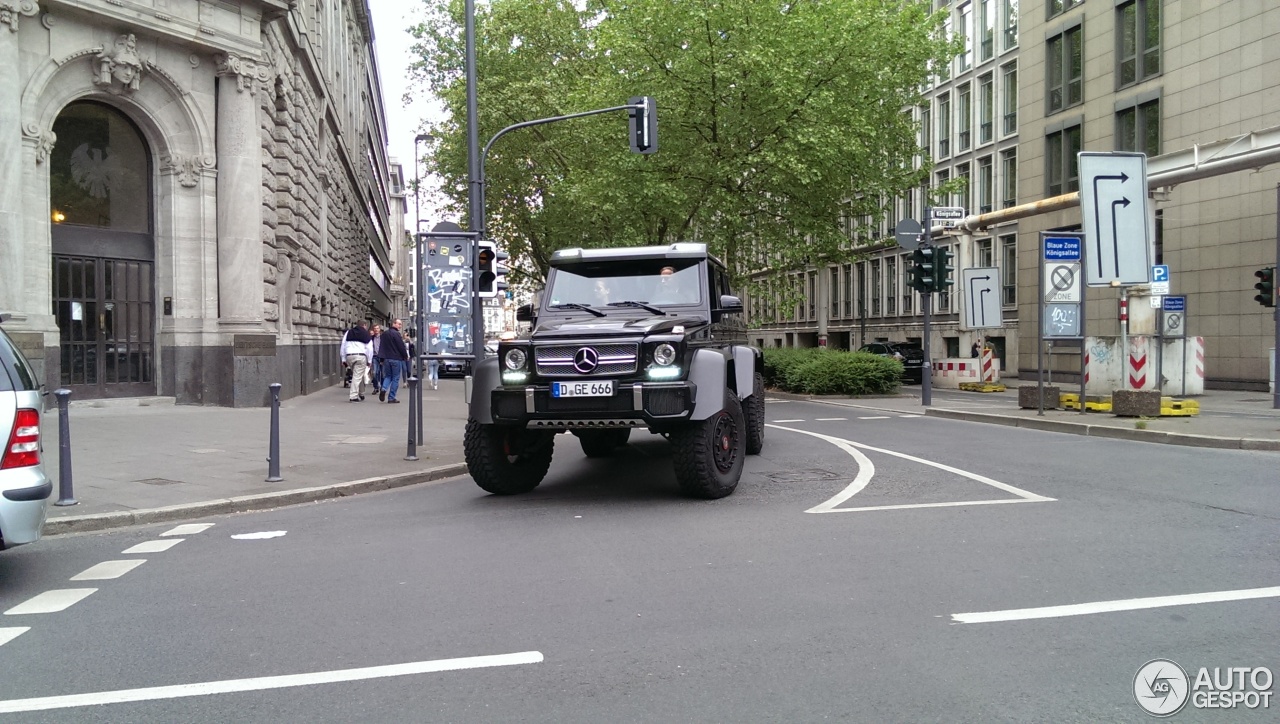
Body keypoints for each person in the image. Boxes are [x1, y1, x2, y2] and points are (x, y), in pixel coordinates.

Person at [377, 318, 410, 403]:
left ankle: (384, 389)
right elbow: (401, 346)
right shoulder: (396, 334)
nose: (400, 326)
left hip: (387, 358)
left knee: (388, 376)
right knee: (395, 378)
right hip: (396, 358)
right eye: (399, 324)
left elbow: (382, 347)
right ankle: (391, 397)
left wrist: (381, 358)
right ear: (393, 324)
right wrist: (405, 356)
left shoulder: (384, 334)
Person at [339, 320, 373, 402]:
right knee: (357, 376)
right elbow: (369, 348)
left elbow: (343, 345)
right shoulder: (365, 334)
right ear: (364, 325)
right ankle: (353, 396)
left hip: (349, 356)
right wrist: (369, 360)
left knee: (357, 374)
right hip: (360, 356)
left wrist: (343, 358)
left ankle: (361, 393)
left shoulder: (348, 332)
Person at [370, 324, 383, 390]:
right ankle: (376, 387)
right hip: (374, 357)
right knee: (375, 372)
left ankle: (382, 387)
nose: (376, 330)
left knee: (383, 373)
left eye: (377, 328)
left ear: (379, 329)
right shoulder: (371, 338)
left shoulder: (383, 337)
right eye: (375, 328)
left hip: (382, 357)